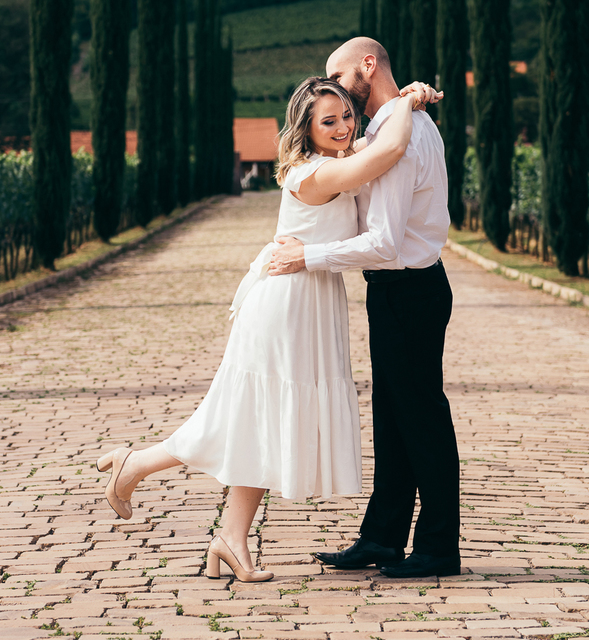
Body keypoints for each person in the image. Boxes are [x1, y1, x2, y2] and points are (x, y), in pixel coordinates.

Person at [96, 75, 440, 582]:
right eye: (329, 121)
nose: (344, 126)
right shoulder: (312, 173)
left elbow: (374, 145)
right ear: (307, 127)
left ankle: (230, 538)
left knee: (260, 421)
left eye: (347, 115)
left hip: (310, 298)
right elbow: (386, 149)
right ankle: (137, 465)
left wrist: (397, 107)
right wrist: (408, 99)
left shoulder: (337, 160)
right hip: (286, 304)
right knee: (244, 417)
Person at [268, 37, 460, 579]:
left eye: (339, 73)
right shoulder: (387, 129)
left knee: (422, 420)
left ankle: (440, 547)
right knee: (394, 421)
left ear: (368, 66)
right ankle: (381, 538)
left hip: (412, 289)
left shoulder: (404, 134)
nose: (333, 84)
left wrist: (310, 256)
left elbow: (386, 243)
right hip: (395, 292)